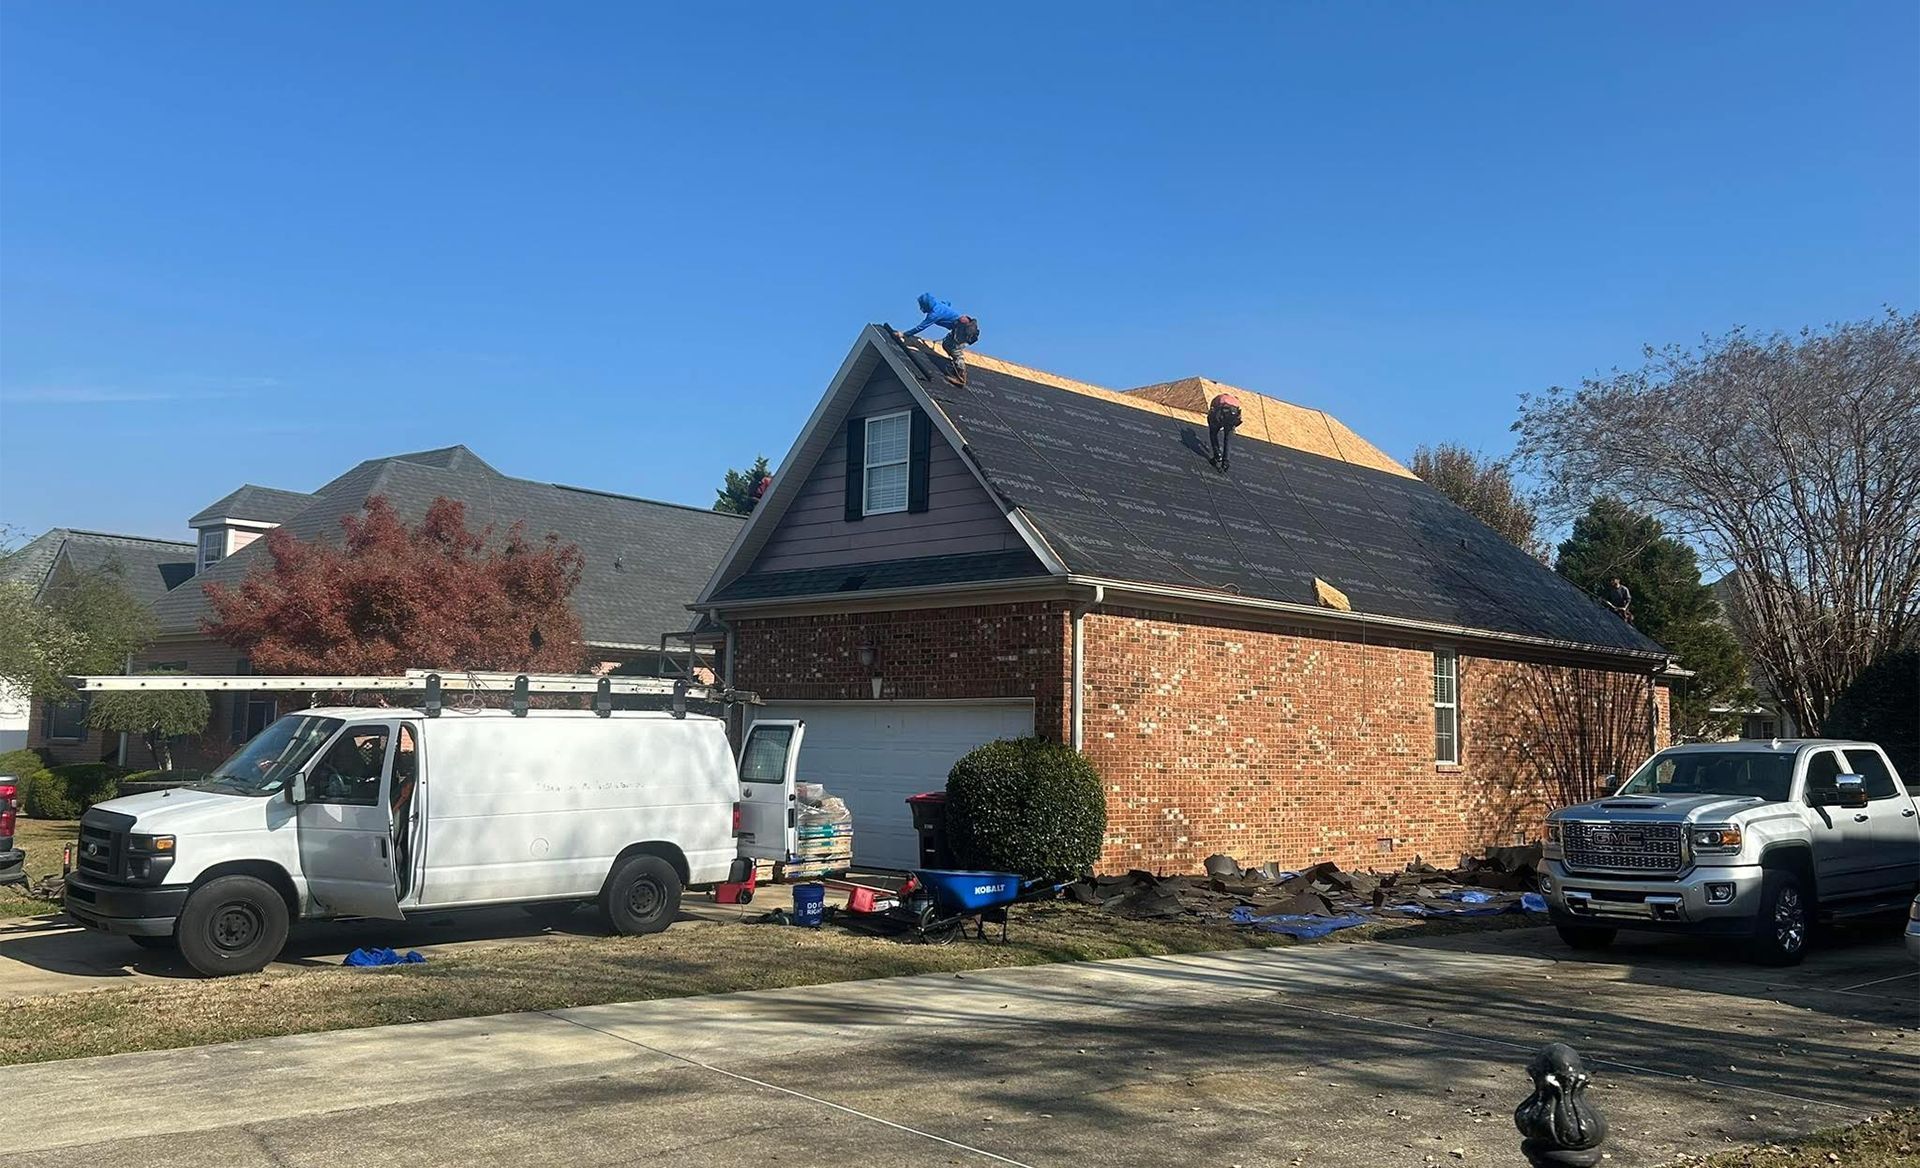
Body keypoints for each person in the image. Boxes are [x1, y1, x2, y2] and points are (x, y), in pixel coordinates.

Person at [897, 292, 979, 386]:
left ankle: (960, 377)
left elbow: (920, 327)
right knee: (946, 344)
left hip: (963, 330)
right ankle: (955, 367)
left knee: (954, 349)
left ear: (927, 305)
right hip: (961, 327)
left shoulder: (934, 314)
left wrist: (904, 334)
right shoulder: (939, 305)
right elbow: (947, 303)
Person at [1207, 392, 1243, 471]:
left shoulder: (1219, 398)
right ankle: (1226, 462)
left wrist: (1215, 424)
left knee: (1213, 433)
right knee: (1228, 439)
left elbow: (1212, 411)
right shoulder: (1236, 402)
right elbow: (1238, 419)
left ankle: (1217, 455)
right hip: (1232, 418)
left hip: (1220, 414)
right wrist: (1230, 429)